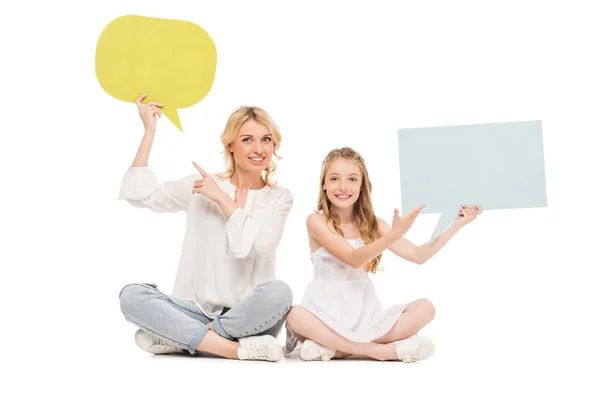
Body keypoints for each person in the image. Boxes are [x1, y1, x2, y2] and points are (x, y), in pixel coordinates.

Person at [118, 94, 294, 362]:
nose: (259, 148)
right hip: (197, 310)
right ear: (230, 144)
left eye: (266, 139)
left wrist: (223, 200)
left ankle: (187, 338)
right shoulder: (202, 185)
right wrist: (149, 131)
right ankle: (231, 350)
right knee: (132, 295)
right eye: (248, 139)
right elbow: (142, 196)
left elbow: (258, 246)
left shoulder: (279, 197)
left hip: (250, 321)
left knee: (280, 293)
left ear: (274, 145)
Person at [284, 147, 482, 361]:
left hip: (364, 312)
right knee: (295, 315)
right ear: (324, 184)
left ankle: (336, 349)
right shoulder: (316, 221)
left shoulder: (374, 224)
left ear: (362, 186)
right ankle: (377, 351)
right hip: (324, 312)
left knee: (426, 308)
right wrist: (393, 235)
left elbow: (419, 255)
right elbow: (353, 258)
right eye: (334, 179)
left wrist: (458, 224)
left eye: (352, 179)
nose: (342, 187)